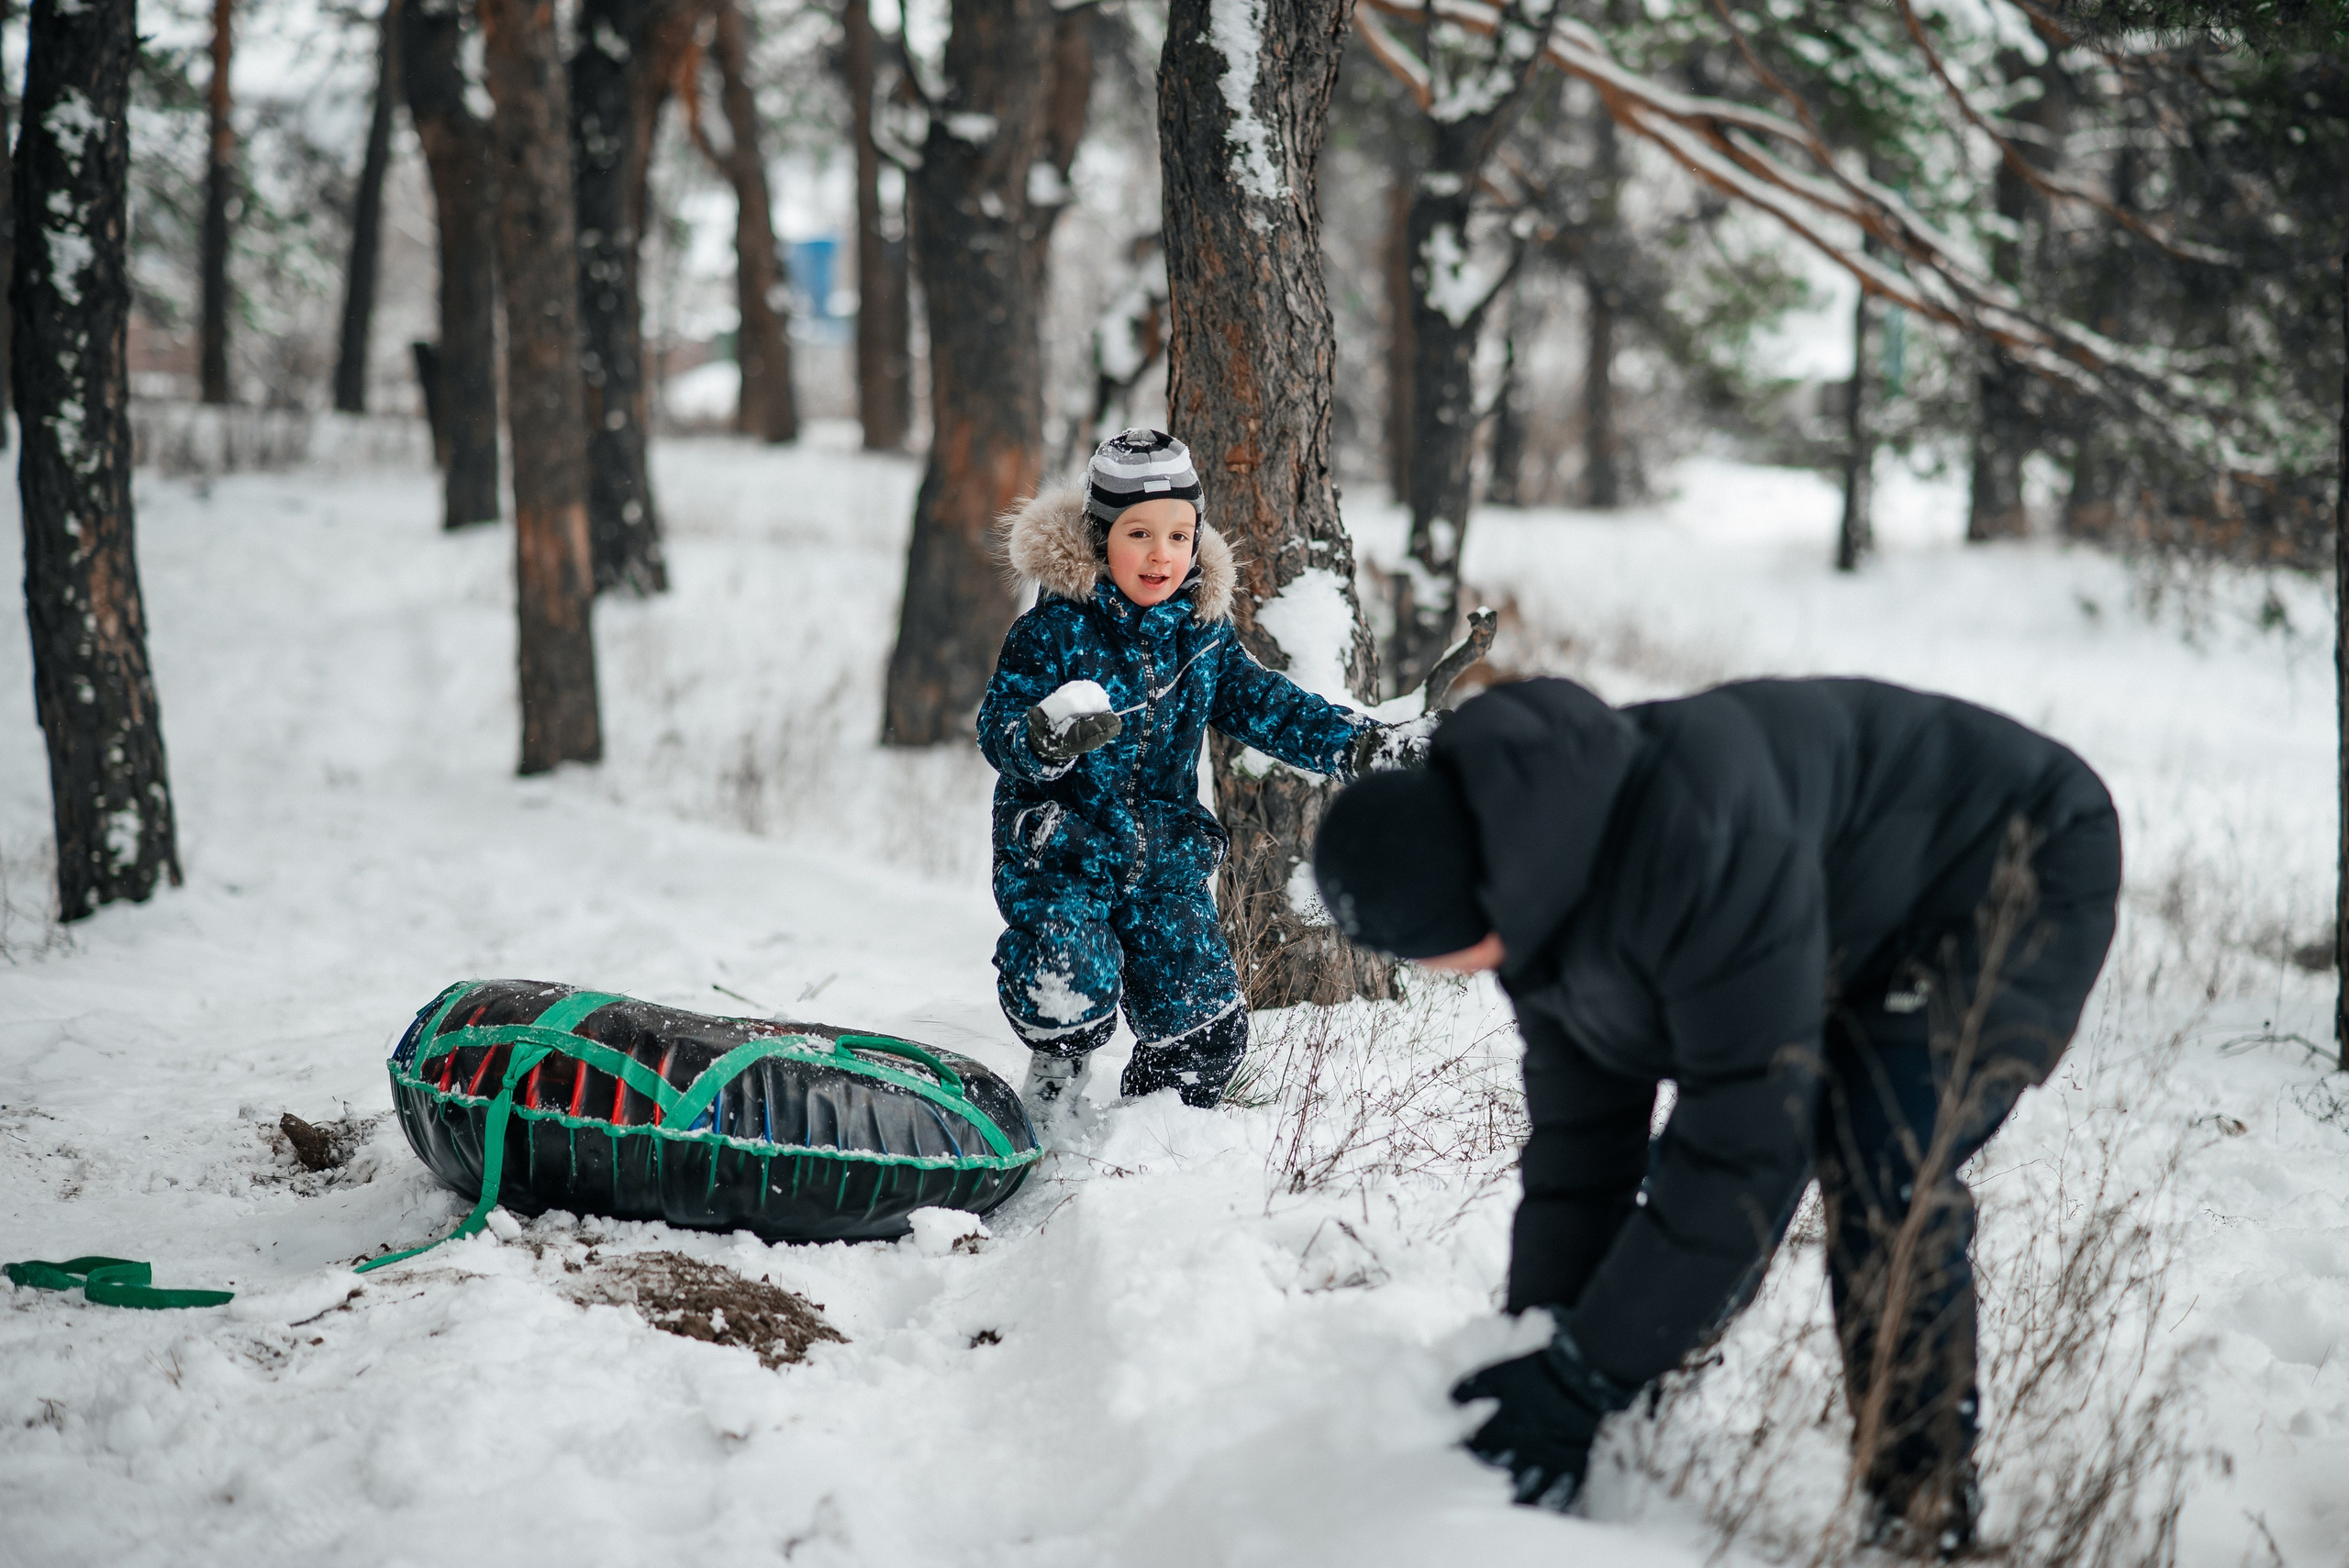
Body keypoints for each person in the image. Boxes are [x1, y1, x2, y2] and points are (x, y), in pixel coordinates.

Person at [1311, 675, 2121, 1556]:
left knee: (1881, 1150)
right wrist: (1544, 1341)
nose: (1438, 972)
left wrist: (1581, 1378)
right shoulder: (1534, 874)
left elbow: (1746, 1148)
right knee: (1743, 1143)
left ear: (1467, 907)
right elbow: (1583, 1146)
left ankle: (1921, 1518)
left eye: (1429, 953)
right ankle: (1632, 1396)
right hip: (1857, 896)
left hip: (2012, 860)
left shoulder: (1692, 847)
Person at [980, 429, 1423, 1122]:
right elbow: (998, 726)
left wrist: (1361, 746)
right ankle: (1051, 1094)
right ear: (1102, 538)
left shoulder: (1201, 631)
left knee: (1205, 1026)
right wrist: (1043, 737)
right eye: (1139, 533)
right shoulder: (1055, 629)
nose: (1162, 554)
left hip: (1160, 854)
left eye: (1180, 534)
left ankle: (1160, 1128)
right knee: (1073, 979)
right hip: (1063, 851)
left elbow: (1267, 704)